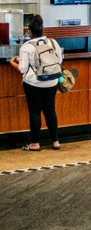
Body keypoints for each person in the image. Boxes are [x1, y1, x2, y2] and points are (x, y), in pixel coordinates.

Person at [9, 15, 62, 151]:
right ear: (42, 29)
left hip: (34, 83)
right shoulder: (52, 42)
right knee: (50, 110)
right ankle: (55, 142)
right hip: (52, 81)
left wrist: (13, 62)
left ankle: (35, 143)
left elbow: (22, 69)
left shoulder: (26, 46)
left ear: (30, 32)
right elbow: (59, 61)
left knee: (35, 111)